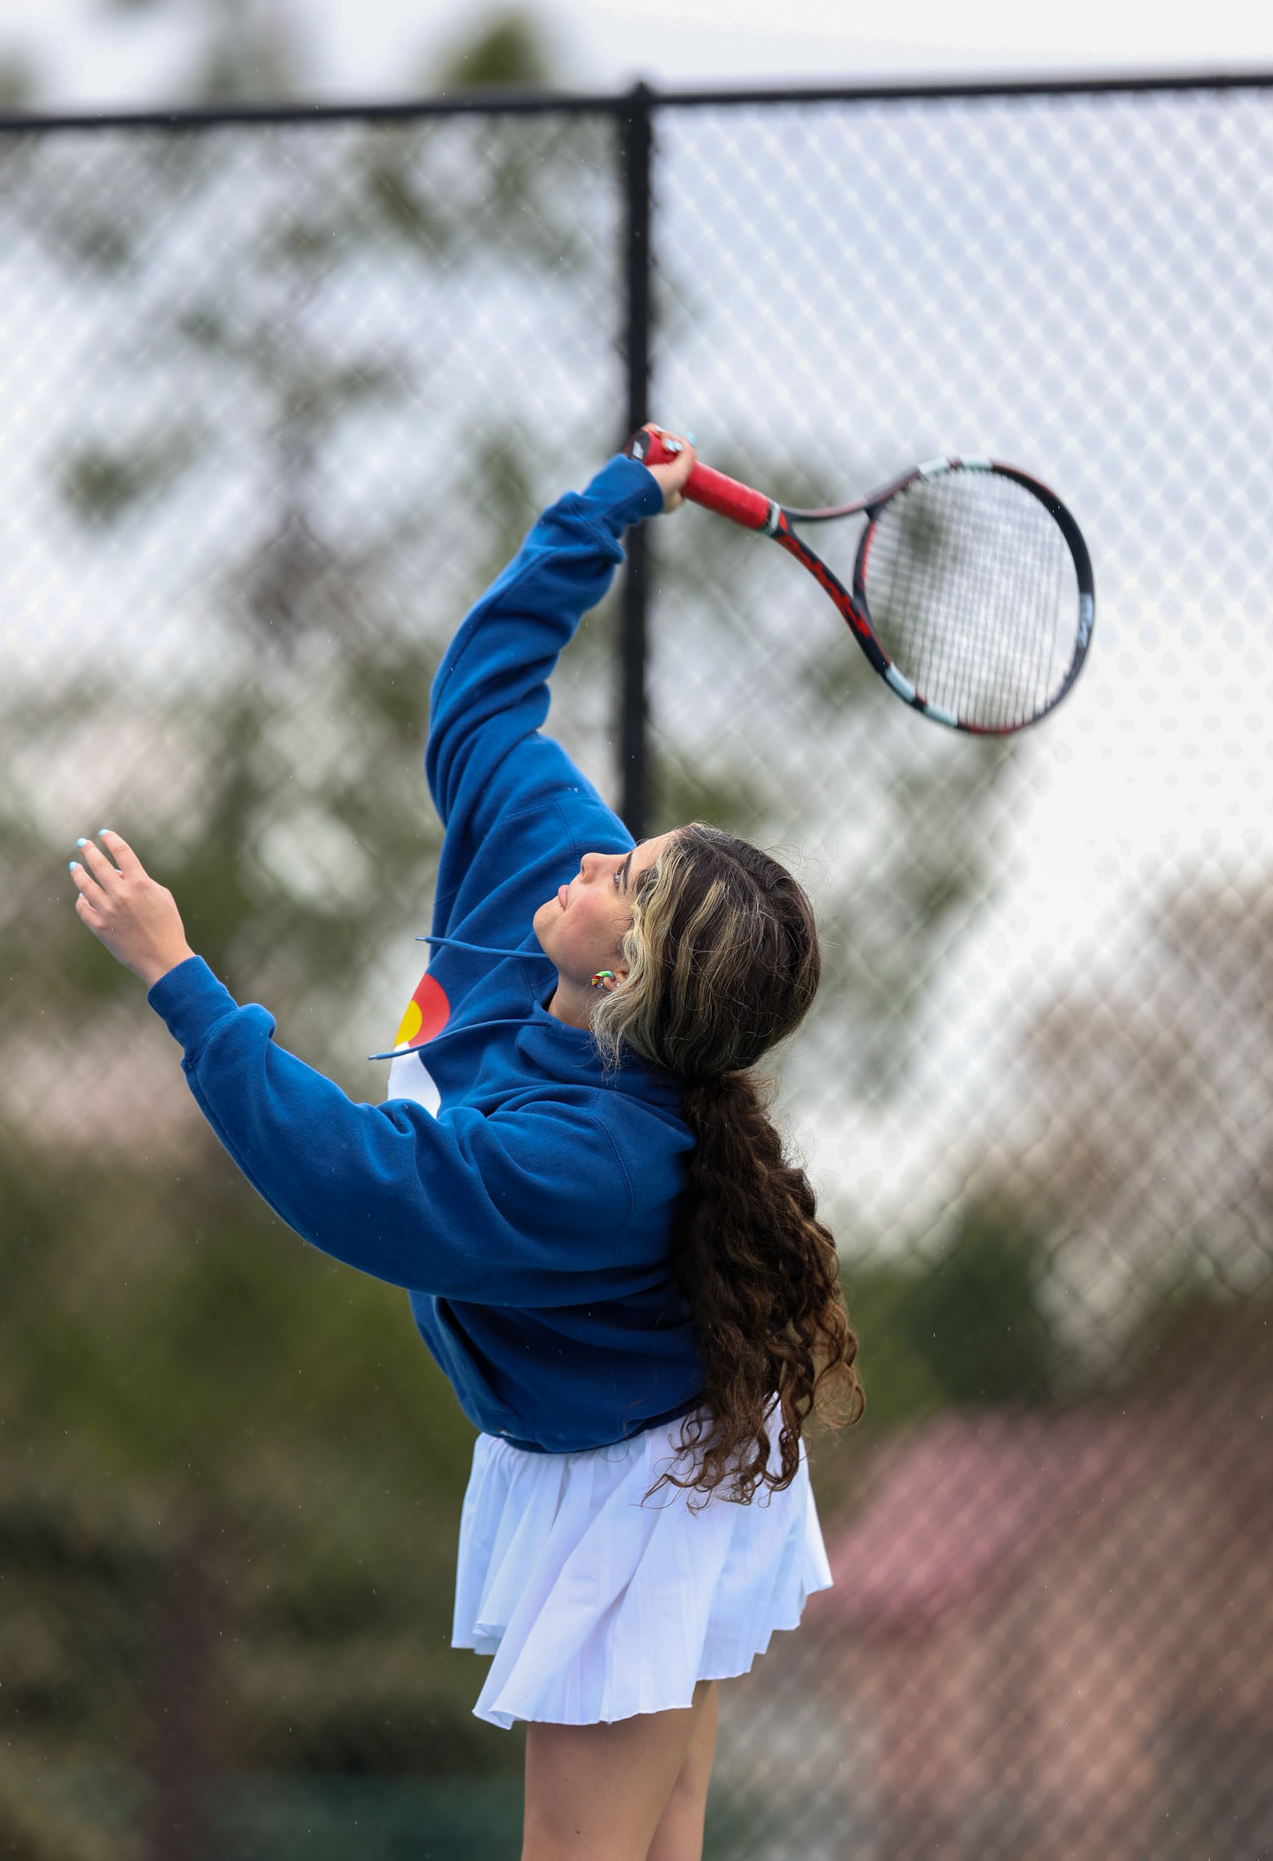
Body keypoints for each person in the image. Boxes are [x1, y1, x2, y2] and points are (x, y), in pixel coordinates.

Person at [66, 429, 863, 1861]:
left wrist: (184, 983)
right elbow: (482, 705)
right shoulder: (557, 900)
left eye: (631, 879)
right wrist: (608, 505)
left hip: (637, 1483)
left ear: (628, 979)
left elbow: (363, 1185)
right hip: (621, 1435)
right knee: (646, 1841)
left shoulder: (596, 1163)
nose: (596, 856)